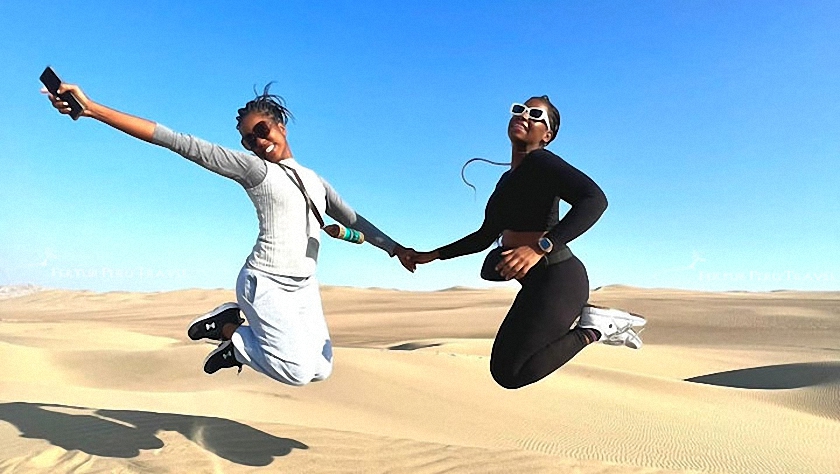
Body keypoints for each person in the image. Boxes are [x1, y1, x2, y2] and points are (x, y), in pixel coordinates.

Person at [45, 82, 414, 386]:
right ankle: (230, 332)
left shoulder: (315, 181)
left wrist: (396, 249)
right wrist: (94, 110)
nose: (256, 142)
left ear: (280, 126)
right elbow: (176, 141)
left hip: (303, 287)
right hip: (265, 281)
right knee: (298, 372)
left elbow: (355, 220)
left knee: (321, 368)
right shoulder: (255, 170)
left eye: (261, 131)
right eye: (248, 139)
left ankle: (235, 338)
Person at [405, 97, 645, 389]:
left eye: (535, 115)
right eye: (519, 109)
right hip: (537, 283)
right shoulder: (507, 179)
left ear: (547, 135)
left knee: (512, 373)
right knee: (504, 368)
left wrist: (540, 247)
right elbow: (485, 235)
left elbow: (595, 200)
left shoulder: (541, 162)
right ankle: (589, 324)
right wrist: (431, 255)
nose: (524, 116)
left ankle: (593, 328)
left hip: (559, 278)